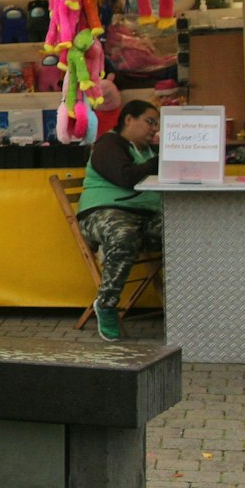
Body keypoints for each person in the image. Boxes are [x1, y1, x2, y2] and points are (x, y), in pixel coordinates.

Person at [78, 99, 163, 342]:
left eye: (157, 124)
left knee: (181, 232)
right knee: (123, 235)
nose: (154, 129)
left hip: (144, 217)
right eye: (149, 121)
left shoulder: (148, 151)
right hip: (104, 213)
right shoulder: (109, 144)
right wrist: (159, 162)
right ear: (128, 119)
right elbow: (126, 177)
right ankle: (106, 304)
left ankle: (188, 307)